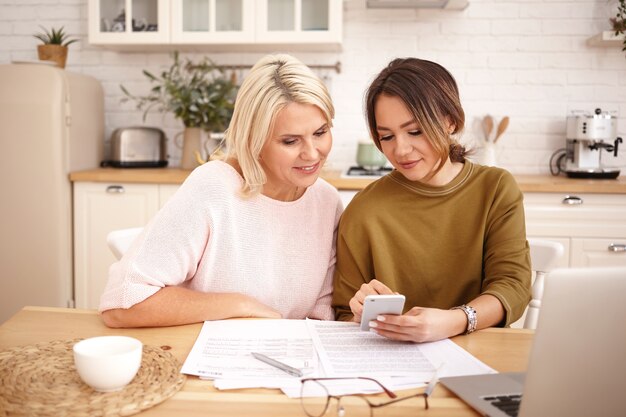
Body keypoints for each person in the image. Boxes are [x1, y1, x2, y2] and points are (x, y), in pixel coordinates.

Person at [100, 54, 342, 328]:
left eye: (320, 133)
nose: (312, 153)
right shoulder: (214, 188)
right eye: (290, 141)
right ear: (254, 139)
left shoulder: (327, 201)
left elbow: (322, 316)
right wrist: (240, 305)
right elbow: (122, 303)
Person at [332, 58, 531, 343]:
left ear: (450, 121)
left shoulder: (495, 188)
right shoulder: (364, 210)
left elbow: (513, 286)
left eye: (415, 131)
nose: (400, 149)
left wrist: (454, 321)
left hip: (479, 351)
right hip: (392, 362)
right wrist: (359, 311)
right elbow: (343, 316)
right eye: (386, 136)